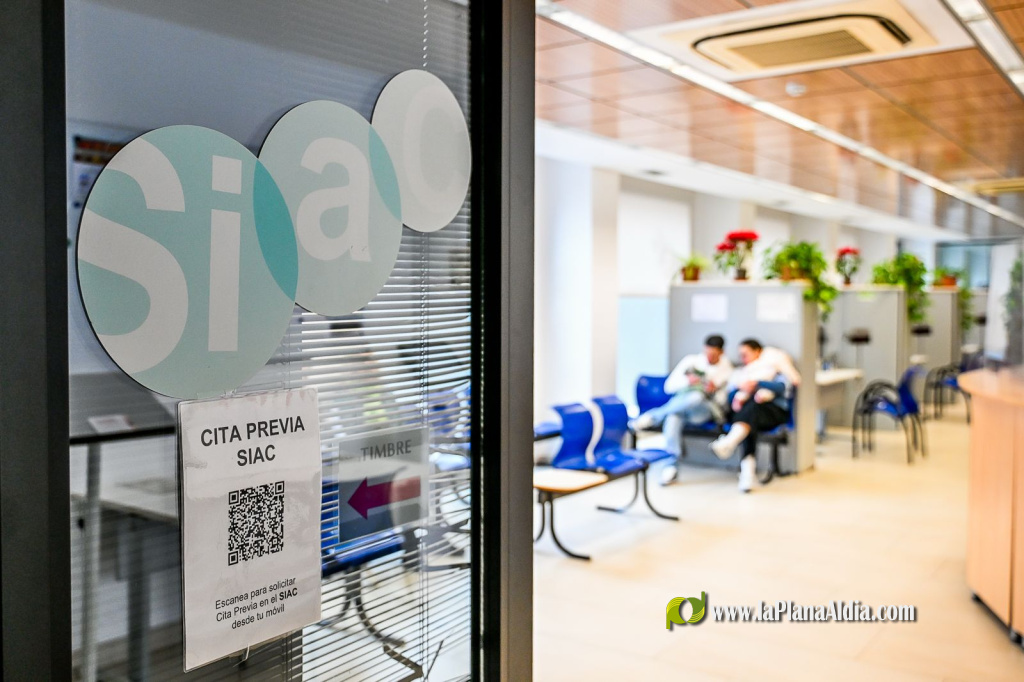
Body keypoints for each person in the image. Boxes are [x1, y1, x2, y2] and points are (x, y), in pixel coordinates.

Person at [632, 334, 734, 485]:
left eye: (714, 355)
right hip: (681, 407)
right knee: (673, 416)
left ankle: (652, 417)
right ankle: (671, 466)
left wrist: (714, 390)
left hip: (703, 411)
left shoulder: (727, 370)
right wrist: (688, 381)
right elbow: (668, 387)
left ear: (721, 352)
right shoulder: (691, 361)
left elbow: (724, 402)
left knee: (696, 397)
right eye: (707, 353)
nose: (709, 358)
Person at [711, 339, 800, 493]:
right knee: (748, 417)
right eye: (740, 355)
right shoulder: (741, 373)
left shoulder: (775, 369)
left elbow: (784, 387)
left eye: (745, 355)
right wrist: (739, 393)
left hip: (772, 412)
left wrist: (757, 384)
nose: (742, 359)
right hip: (749, 414)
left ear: (758, 352)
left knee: (750, 413)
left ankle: (732, 446)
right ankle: (747, 473)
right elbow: (731, 395)